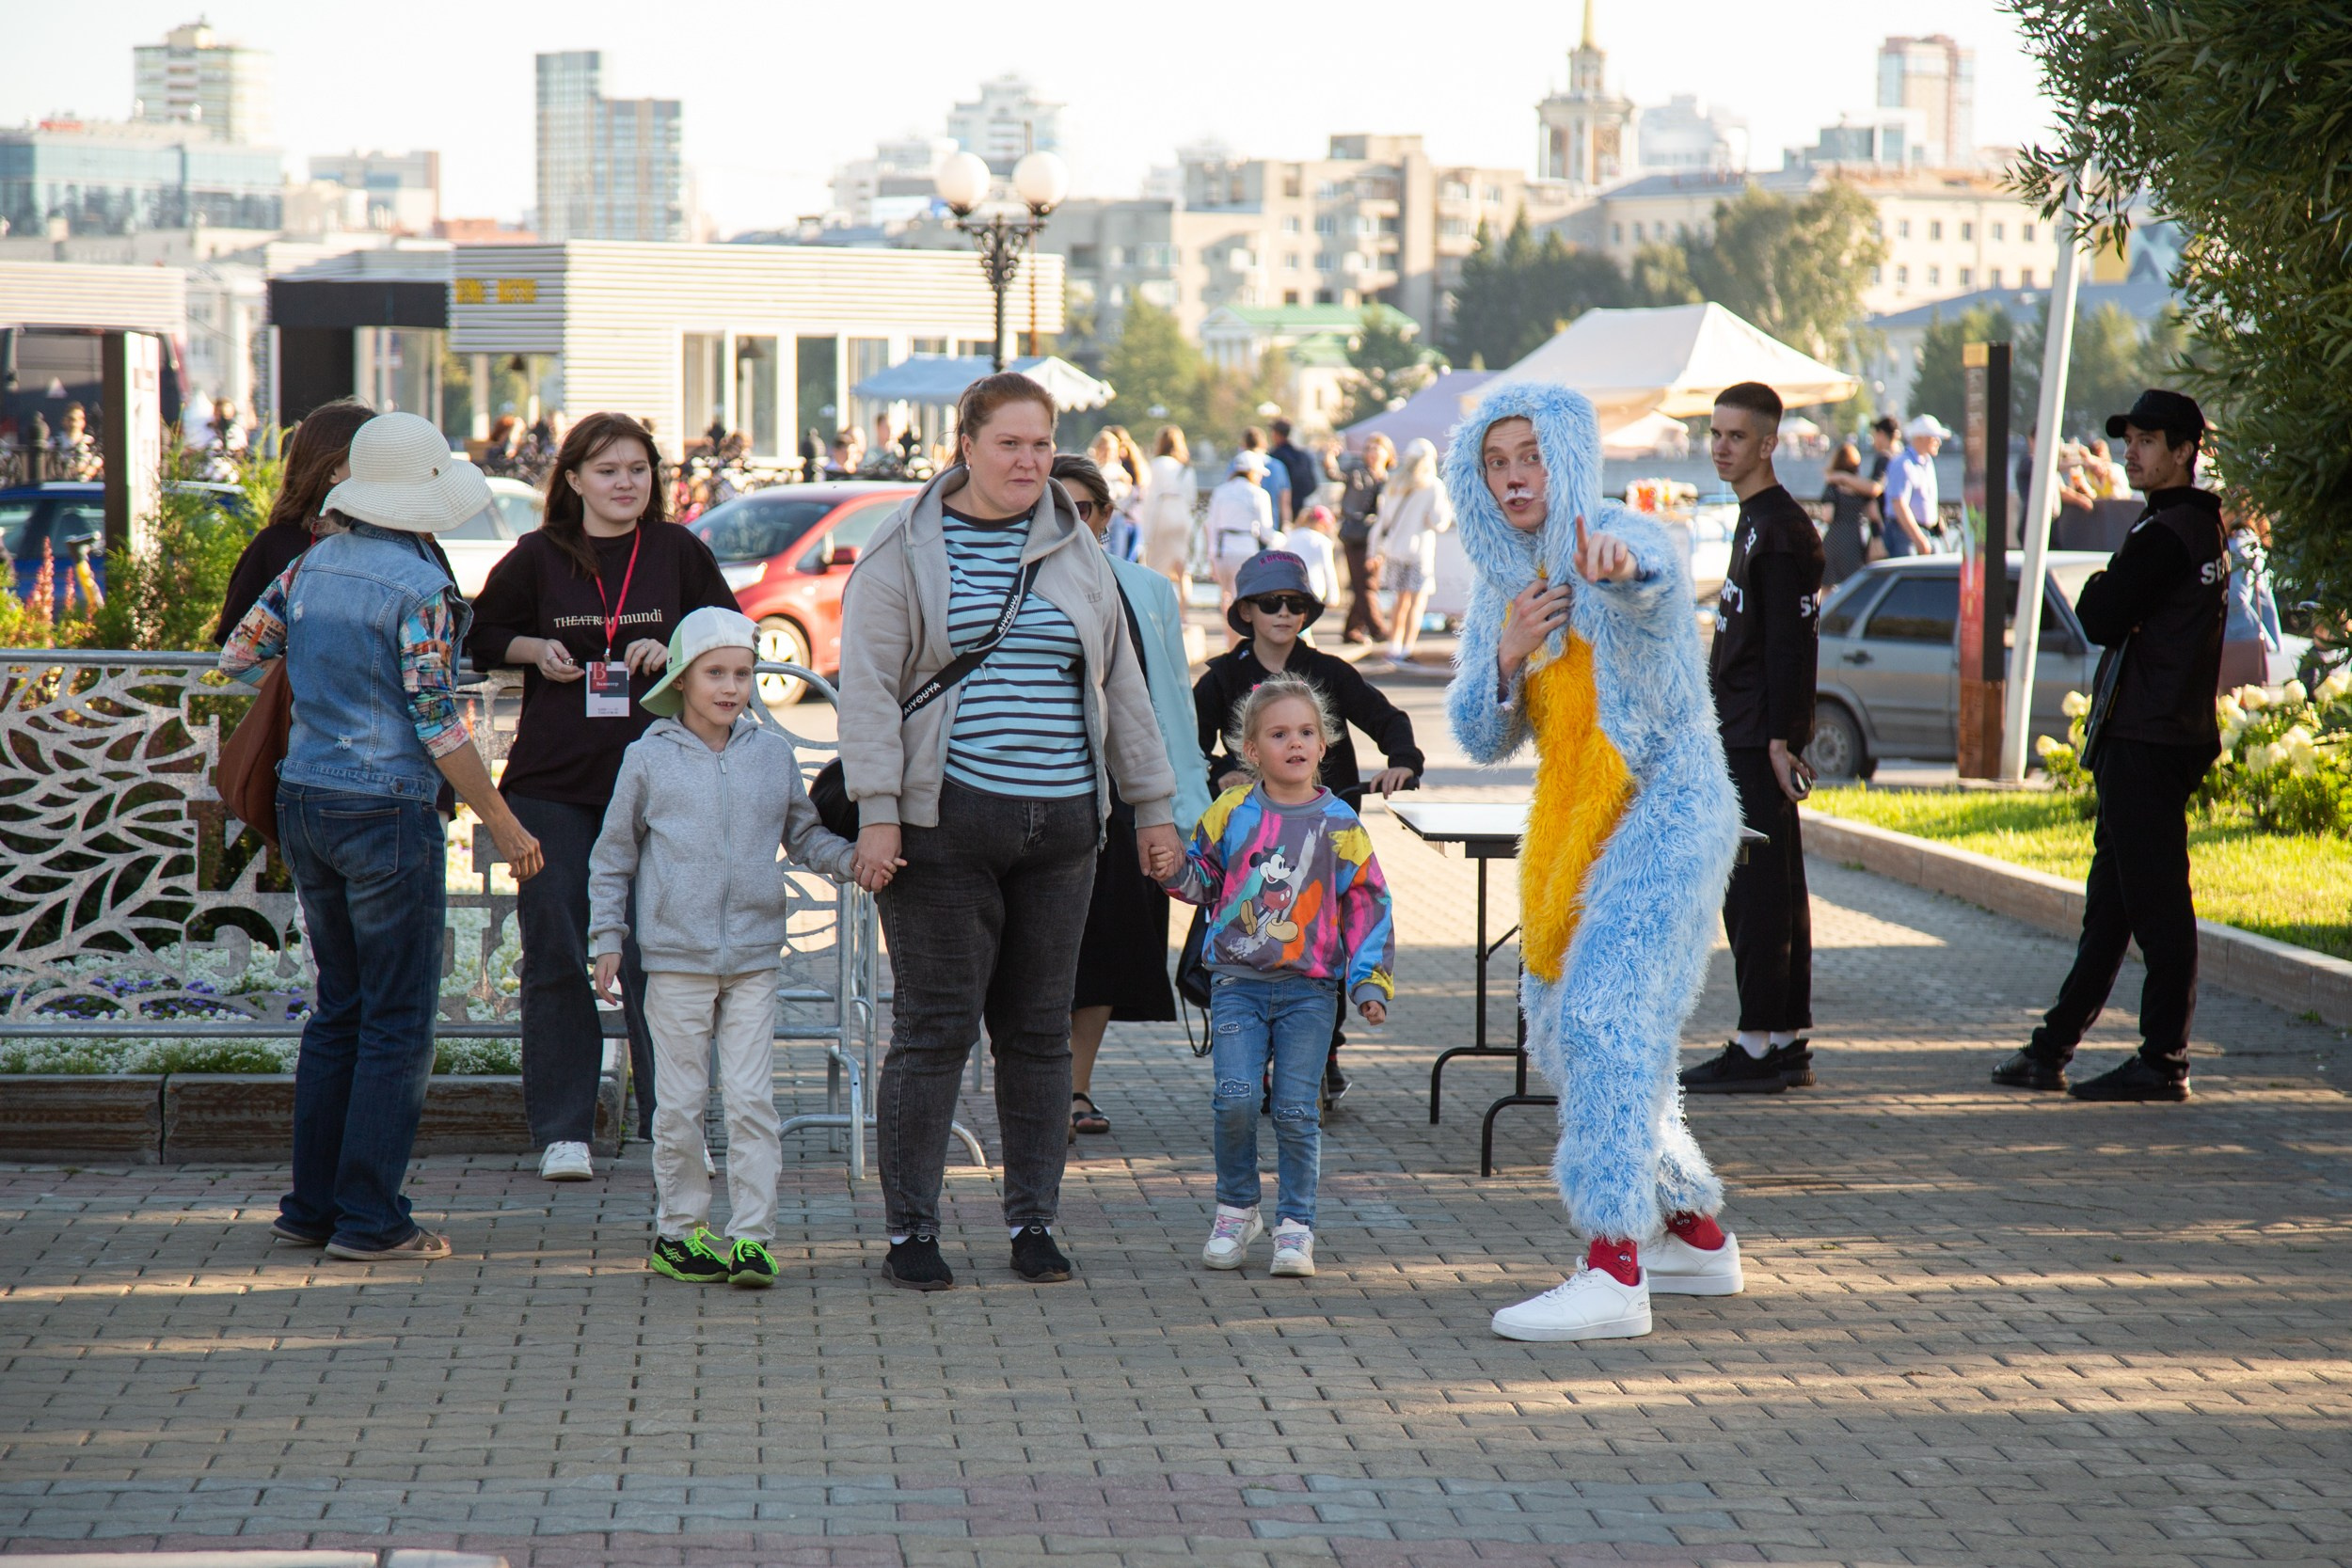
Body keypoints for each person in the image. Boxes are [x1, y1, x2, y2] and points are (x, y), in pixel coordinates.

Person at [835, 372, 1183, 1292]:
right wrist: (876, 812)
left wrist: (1153, 808)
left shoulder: (1076, 548)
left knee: (1036, 1034)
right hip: (941, 826)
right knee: (933, 1030)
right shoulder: (902, 545)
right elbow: (867, 685)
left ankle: (1034, 1221)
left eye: (1041, 444)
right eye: (1009, 444)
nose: (1028, 461)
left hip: (1064, 827)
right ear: (966, 446)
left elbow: (1121, 689)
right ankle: (912, 1230)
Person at [1443, 382, 1745, 1341]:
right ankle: (1692, 1234)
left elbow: (1653, 569)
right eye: (1495, 460)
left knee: (1609, 1014)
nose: (1514, 473)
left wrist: (1616, 573)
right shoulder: (1500, 582)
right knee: (1578, 1033)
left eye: (1530, 453)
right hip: (1571, 823)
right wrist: (1504, 652)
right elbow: (1478, 733)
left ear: (1566, 455)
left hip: (1665, 807)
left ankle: (1613, 1264)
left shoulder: (1612, 529)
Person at [220, 412, 546, 1260]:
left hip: (305, 798)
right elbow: (438, 725)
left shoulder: (309, 563)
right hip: (387, 807)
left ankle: (311, 1207)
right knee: (399, 1018)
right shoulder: (422, 589)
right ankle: (371, 1217)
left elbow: (237, 657)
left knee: (339, 1009)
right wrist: (503, 820)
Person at [468, 412, 740, 1182]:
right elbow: (480, 634)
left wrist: (678, 648)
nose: (626, 483)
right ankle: (563, 1130)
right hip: (554, 783)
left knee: (666, 953)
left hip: (663, 777)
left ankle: (676, 1124)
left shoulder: (678, 551)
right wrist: (534, 649)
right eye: (609, 470)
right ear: (576, 480)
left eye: (639, 470)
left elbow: (730, 632)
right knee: (556, 948)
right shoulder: (538, 555)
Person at [588, 607, 873, 1291]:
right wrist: (607, 938)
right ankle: (679, 1233)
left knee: (750, 1099)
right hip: (675, 959)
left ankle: (752, 1237)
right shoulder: (648, 757)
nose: (730, 686)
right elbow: (613, 856)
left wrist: (855, 858)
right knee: (681, 1103)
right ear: (683, 678)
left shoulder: (770, 754)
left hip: (752, 957)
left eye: (743, 673)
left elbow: (803, 835)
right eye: (715, 672)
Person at [1993, 389, 2227, 1103]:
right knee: (2113, 904)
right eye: (2128, 439)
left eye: (2148, 440)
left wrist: (2104, 582)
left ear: (2185, 450)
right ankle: (2052, 1046)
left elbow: (2099, 613)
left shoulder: (2168, 533)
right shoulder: (2190, 527)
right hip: (2154, 734)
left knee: (2155, 904)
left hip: (2147, 737)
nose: (2132, 451)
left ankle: (2164, 1058)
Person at [1159, 674, 1394, 1279]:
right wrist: (1169, 868)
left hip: (1309, 992)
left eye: (1307, 732)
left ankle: (1296, 1227)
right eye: (1279, 733)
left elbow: (1367, 904)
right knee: (1235, 1100)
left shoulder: (1341, 822)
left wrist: (1368, 982)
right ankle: (1237, 1210)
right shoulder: (1231, 810)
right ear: (1251, 749)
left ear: (1324, 745)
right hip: (1237, 983)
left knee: (1294, 1110)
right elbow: (1203, 881)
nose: (1295, 743)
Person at [1194, 548, 1421, 1104]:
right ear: (1245, 610)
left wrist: (1403, 758)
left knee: (1324, 938)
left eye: (1295, 603)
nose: (1283, 612)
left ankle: (1325, 1050)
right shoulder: (1223, 678)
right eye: (1270, 602)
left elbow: (1387, 718)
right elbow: (1187, 746)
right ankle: (1260, 1059)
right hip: (1253, 844)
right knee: (1260, 935)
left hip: (1324, 835)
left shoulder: (1329, 672)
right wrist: (1222, 773)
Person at [1052, 454, 1211, 1140]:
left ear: (1107, 517)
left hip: (1127, 795)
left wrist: (1188, 803)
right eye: (1051, 510)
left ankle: (1073, 1088)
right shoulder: (1012, 585)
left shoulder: (1147, 589)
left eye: (1081, 509)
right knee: (1037, 950)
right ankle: (1038, 1084)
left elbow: (1172, 698)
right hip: (1038, 786)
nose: (1068, 523)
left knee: (1108, 947)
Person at [1682, 382, 1824, 1096]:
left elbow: (1791, 648)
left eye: (1735, 436)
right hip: (1735, 730)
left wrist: (1781, 739)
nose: (1720, 446)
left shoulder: (1781, 531)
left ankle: (1761, 1043)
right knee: (1764, 883)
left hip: (1754, 740)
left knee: (1758, 889)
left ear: (1768, 443)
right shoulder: (1751, 520)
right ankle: (1781, 1037)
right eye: (1714, 434)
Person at [215, 399, 382, 643]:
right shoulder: (276, 546)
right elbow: (236, 644)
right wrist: (299, 677)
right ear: (332, 470)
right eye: (371, 457)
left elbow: (453, 640)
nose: (386, 469)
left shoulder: (413, 545)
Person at [1367, 437, 1452, 665]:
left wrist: (1372, 550)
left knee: (1398, 601)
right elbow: (1439, 522)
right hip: (1419, 552)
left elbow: (1382, 520)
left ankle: (1393, 646)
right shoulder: (1433, 485)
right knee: (1416, 602)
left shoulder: (1394, 483)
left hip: (1394, 550)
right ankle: (1406, 648)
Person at [1206, 451, 1279, 638]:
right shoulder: (1259, 494)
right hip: (1246, 549)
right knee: (1244, 599)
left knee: (1227, 598)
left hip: (1223, 550)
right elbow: (1266, 532)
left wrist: (1211, 558)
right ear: (1253, 472)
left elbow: (1211, 526)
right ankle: (1240, 644)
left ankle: (1230, 643)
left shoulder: (1221, 491)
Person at [2217, 510, 2283, 691]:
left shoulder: (2237, 546)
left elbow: (2236, 597)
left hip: (2239, 638)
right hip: (2251, 637)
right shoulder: (2249, 542)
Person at [1337, 436, 1393, 644]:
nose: (1372, 452)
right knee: (1366, 584)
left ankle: (1351, 629)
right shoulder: (1358, 473)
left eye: (1377, 448)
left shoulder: (1390, 479)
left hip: (1378, 538)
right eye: (1368, 448)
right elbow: (1336, 474)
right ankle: (1377, 629)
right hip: (1356, 535)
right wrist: (1329, 459)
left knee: (1366, 584)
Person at [1140, 424, 1199, 595]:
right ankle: (1184, 612)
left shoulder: (1156, 464)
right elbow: (1192, 497)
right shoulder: (1186, 467)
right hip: (1181, 514)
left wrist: (1147, 530)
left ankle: (1156, 607)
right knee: (1183, 569)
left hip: (1162, 514)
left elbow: (1151, 496)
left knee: (1156, 567)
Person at [1883, 415, 1946, 558]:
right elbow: (1899, 504)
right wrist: (1918, 537)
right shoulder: (1903, 464)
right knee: (1910, 576)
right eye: (1934, 437)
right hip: (1905, 534)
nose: (1938, 442)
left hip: (1926, 532)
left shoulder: (1927, 463)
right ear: (1922, 437)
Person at [1819, 441, 1873, 587]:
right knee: (1854, 584)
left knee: (1827, 587)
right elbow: (1872, 514)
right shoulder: (1862, 489)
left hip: (1835, 537)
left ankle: (1827, 610)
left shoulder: (1832, 488)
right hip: (1855, 537)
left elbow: (1827, 515)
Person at [1275, 504, 1341, 607]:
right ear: (1321, 524)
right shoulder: (1323, 541)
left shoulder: (1290, 536)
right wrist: (1333, 596)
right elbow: (1329, 569)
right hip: (1314, 588)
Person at [1267, 419, 1319, 520]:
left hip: (1280, 508)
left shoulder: (1275, 456)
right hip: (1301, 506)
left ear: (1276, 434)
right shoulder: (1302, 455)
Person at [1240, 426, 1292, 526]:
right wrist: (1286, 524)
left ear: (1244, 444)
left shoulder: (1236, 464)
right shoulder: (1277, 466)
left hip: (1242, 528)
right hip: (1270, 524)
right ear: (1264, 444)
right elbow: (1285, 501)